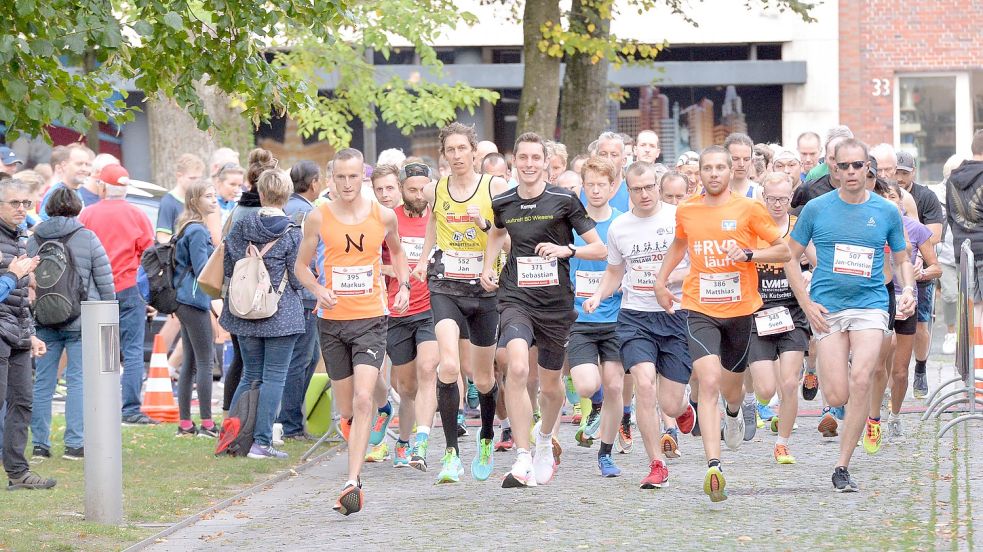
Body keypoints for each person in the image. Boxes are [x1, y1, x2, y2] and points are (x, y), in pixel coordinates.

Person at [653, 145, 790, 502]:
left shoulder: (748, 209)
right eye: (707, 168)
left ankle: (734, 413)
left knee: (732, 388)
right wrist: (660, 280)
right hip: (699, 306)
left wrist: (749, 254)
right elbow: (678, 246)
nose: (713, 174)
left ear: (731, 172)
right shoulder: (688, 209)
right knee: (708, 380)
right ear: (699, 173)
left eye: (720, 168)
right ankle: (714, 465)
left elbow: (784, 251)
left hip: (740, 310)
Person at [785, 138, 915, 493]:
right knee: (838, 394)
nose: (853, 172)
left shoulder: (886, 211)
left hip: (871, 304)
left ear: (868, 169)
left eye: (859, 165)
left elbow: (902, 259)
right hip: (828, 306)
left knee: (862, 379)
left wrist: (907, 291)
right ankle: (841, 409)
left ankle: (842, 465)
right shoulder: (816, 208)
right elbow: (790, 257)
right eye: (845, 166)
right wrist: (807, 304)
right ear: (834, 170)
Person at [480, 132, 606, 488]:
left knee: (551, 386)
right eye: (524, 158)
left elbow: (599, 249)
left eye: (537, 158)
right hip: (515, 296)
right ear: (514, 161)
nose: (530, 164)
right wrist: (489, 266)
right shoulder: (503, 202)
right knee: (516, 367)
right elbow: (495, 234)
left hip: (555, 304)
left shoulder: (564, 200)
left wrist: (568, 250)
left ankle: (544, 441)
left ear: (547, 163)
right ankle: (521, 457)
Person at [295, 148, 410, 515]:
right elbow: (300, 267)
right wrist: (318, 290)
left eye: (353, 176)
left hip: (371, 318)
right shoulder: (318, 217)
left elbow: (397, 252)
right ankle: (382, 400)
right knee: (347, 407)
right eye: (340, 177)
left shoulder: (383, 215)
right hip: (331, 320)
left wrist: (404, 285)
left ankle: (352, 481)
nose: (347, 184)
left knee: (361, 401)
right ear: (331, 178)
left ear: (363, 176)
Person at [584, 160, 696, 488]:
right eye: (637, 189)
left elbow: (698, 266)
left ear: (658, 186)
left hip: (675, 314)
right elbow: (614, 272)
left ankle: (684, 404)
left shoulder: (678, 219)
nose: (644, 194)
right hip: (636, 317)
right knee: (644, 384)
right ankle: (656, 463)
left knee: (670, 403)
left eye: (649, 187)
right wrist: (598, 296)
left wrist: (669, 277)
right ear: (627, 191)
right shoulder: (620, 228)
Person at [409, 123, 508, 482]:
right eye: (450, 150)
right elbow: (433, 227)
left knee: (482, 378)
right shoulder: (437, 189)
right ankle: (450, 452)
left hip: (484, 290)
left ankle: (485, 435)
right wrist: (423, 260)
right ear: (444, 154)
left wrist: (484, 228)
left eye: (462, 149)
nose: (456, 156)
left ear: (473, 151)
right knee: (448, 367)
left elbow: (507, 237)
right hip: (446, 285)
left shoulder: (494, 187)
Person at [222, 169, 307, 458]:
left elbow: (229, 267)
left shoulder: (240, 226)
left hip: (244, 311)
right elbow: (297, 278)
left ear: (260, 193)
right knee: (274, 377)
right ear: (286, 195)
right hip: (281, 314)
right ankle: (261, 441)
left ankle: (232, 438)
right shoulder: (293, 232)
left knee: (250, 375)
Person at [28, 186, 115, 460]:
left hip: (43, 318)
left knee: (43, 382)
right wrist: (109, 310)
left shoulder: (35, 238)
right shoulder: (86, 237)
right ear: (77, 207)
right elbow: (104, 279)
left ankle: (40, 444)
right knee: (77, 381)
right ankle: (75, 444)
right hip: (80, 318)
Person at [79, 163, 159, 425]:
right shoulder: (137, 215)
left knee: (104, 350)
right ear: (125, 188)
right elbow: (149, 256)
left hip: (98, 290)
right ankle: (131, 409)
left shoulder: (88, 214)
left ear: (102, 186)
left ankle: (104, 405)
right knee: (133, 350)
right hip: (129, 287)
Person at [374, 161, 440, 469]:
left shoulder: (437, 219)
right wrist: (399, 272)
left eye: (422, 189)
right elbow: (373, 262)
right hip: (396, 309)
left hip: (429, 308)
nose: (418, 195)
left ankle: (417, 443)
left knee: (429, 369)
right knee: (407, 386)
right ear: (402, 189)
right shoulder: (390, 220)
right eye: (411, 189)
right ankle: (402, 437)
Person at [745, 172, 811, 465]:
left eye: (784, 199)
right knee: (766, 389)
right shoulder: (753, 226)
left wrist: (810, 279)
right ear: (763, 196)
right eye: (772, 198)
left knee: (788, 383)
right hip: (758, 313)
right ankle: (751, 403)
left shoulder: (797, 227)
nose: (778, 204)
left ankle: (782, 444)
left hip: (792, 313)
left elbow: (818, 260)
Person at [563, 156, 624, 469]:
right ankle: (595, 404)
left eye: (603, 185)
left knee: (616, 386)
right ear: (582, 187)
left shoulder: (623, 222)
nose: (596, 190)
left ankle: (605, 453)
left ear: (613, 187)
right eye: (591, 185)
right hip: (579, 317)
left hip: (616, 317)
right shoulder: (570, 222)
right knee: (587, 385)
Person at [868, 178, 940, 442]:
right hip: (879, 298)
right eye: (884, 197)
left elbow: (936, 267)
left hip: (908, 300)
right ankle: (873, 415)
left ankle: (895, 416)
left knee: (900, 371)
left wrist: (923, 273)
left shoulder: (916, 229)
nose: (890, 202)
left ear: (902, 201)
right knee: (878, 367)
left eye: (894, 197)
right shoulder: (869, 227)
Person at [0, 178, 52, 489]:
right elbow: (10, 283)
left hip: (16, 333)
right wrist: (12, 273)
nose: (22, 209)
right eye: (14, 203)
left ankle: (18, 474)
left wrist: (30, 334)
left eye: (26, 203)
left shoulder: (20, 238)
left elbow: (20, 296)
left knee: (22, 402)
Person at [276, 160, 324, 441]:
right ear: (314, 182)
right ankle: (291, 422)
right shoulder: (307, 213)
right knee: (302, 358)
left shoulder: (288, 207)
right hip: (305, 294)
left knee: (307, 356)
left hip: (295, 292)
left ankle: (291, 417)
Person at [171, 179, 219, 437]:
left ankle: (186, 423)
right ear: (194, 201)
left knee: (189, 361)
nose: (213, 200)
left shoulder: (186, 226)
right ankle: (207, 424)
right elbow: (203, 270)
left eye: (214, 195)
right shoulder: (198, 230)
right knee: (204, 360)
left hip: (183, 299)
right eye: (208, 196)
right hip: (194, 299)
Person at [894, 151, 944, 397]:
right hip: (890, 276)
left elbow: (933, 235)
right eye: (897, 172)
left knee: (921, 326)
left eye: (904, 172)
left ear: (913, 171)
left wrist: (921, 264)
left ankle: (921, 370)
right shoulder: (883, 196)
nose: (900, 177)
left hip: (919, 268)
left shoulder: (926, 196)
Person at [946, 130, 983, 323]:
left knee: (974, 305)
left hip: (963, 249)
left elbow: (951, 217)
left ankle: (978, 351)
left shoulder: (953, 177)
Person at [156, 153, 206, 243]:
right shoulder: (168, 202)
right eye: (192, 178)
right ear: (179, 176)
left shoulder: (198, 200)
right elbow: (162, 238)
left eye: (199, 178)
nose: (197, 182)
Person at [39, 144, 92, 220]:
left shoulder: (76, 191)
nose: (84, 169)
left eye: (87, 164)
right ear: (64, 165)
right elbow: (45, 225)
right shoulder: (55, 193)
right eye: (79, 164)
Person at [723, 133, 760, 200]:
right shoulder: (710, 192)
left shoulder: (759, 193)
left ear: (752, 161)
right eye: (735, 159)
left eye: (746, 159)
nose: (741, 164)